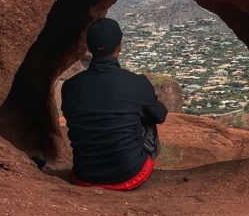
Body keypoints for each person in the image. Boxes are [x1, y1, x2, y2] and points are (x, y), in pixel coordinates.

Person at [61, 17, 168, 190]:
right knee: (148, 117)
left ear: (88, 48)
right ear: (119, 47)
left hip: (84, 176)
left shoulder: (70, 86)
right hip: (130, 175)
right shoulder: (136, 83)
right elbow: (160, 116)